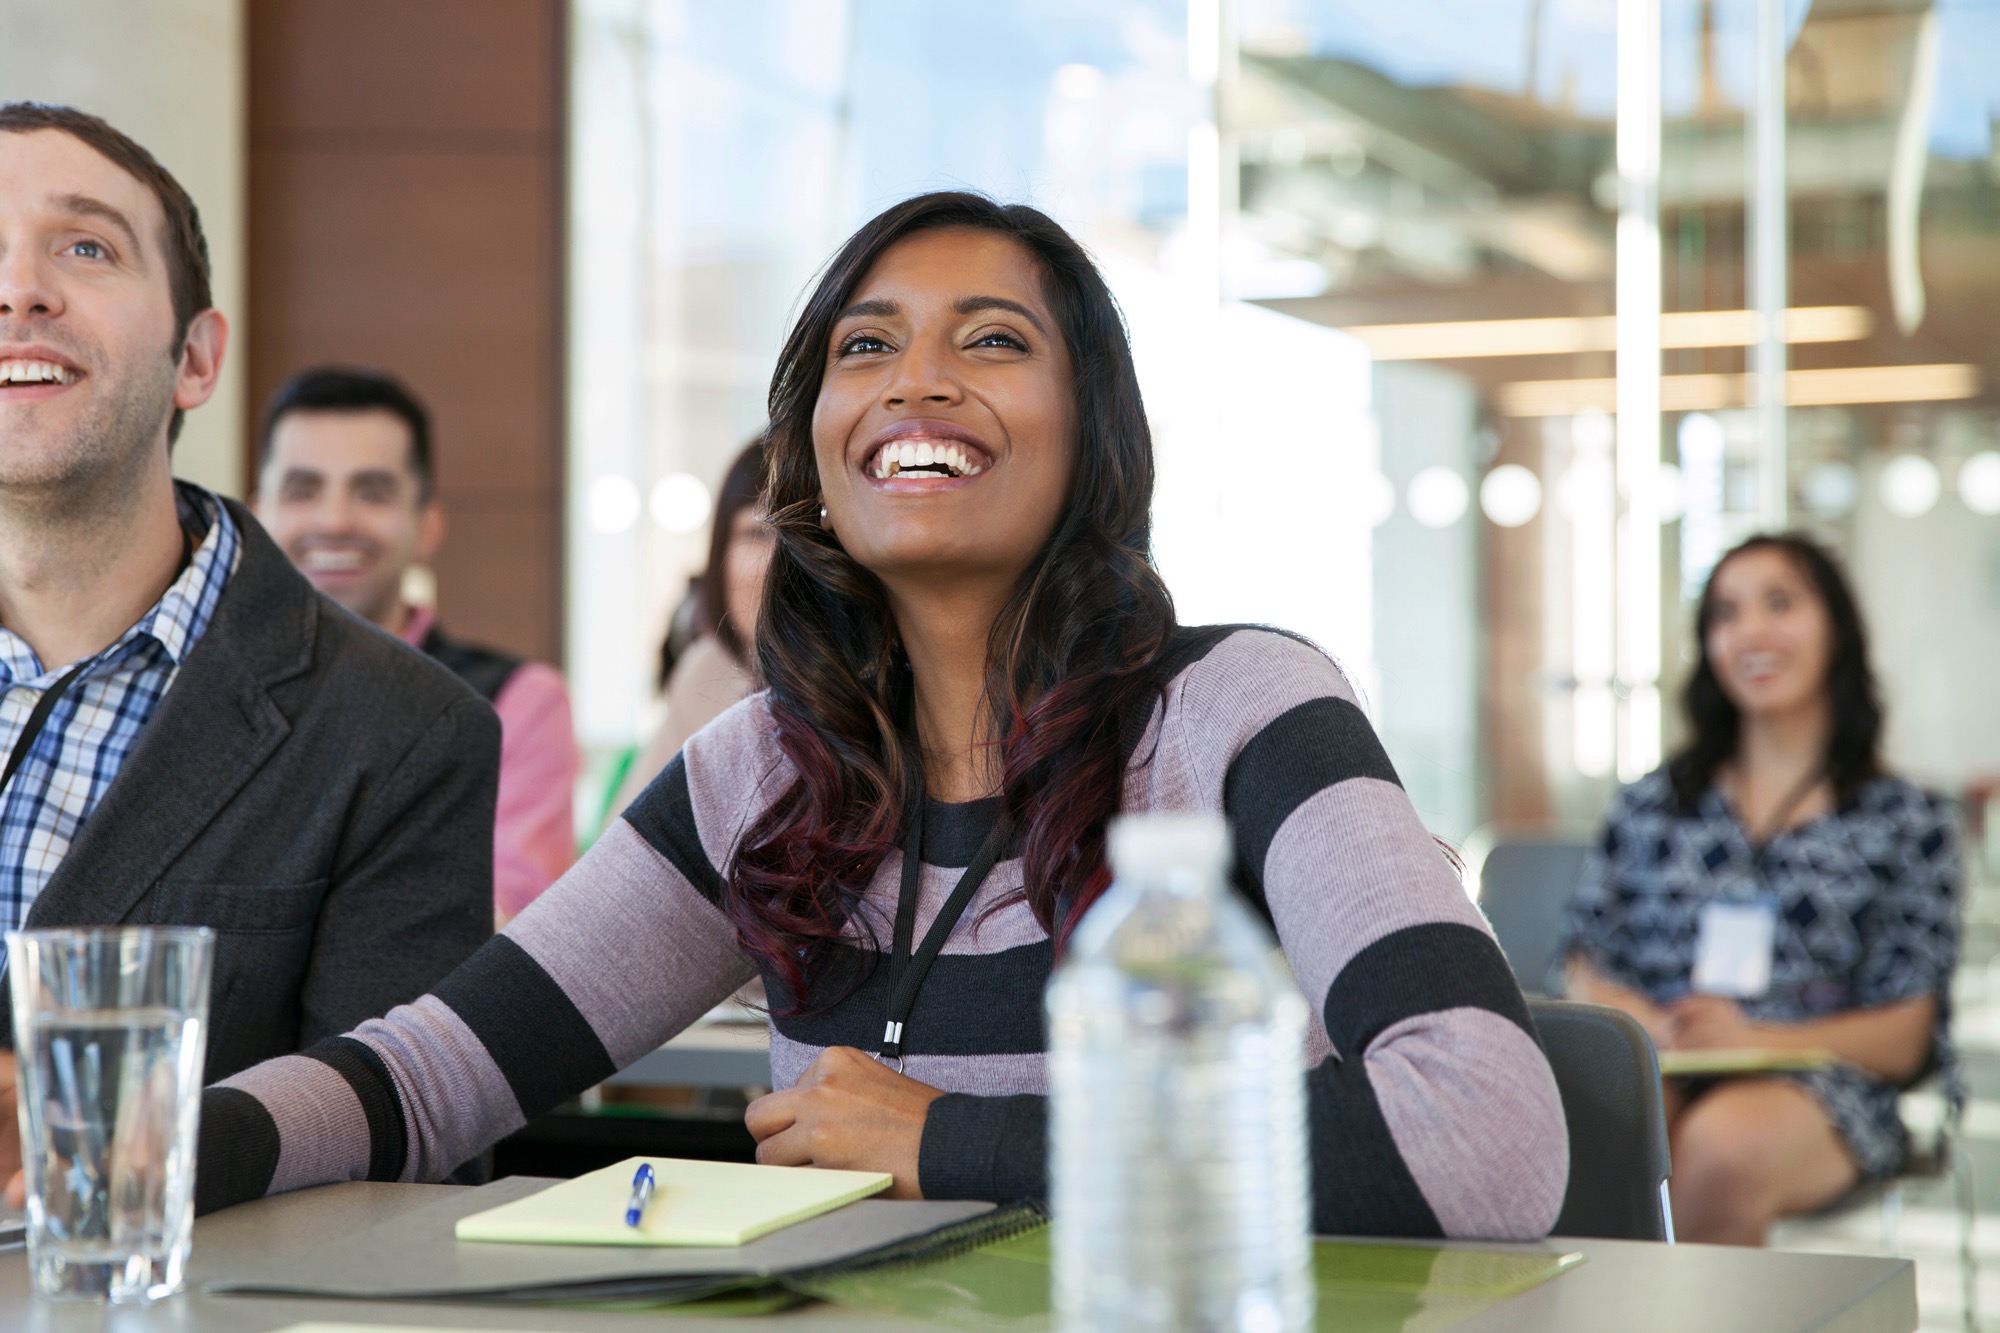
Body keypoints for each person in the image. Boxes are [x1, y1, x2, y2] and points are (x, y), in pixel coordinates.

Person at [175, 191, 1568, 1238]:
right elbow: (430, 1075)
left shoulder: (1243, 709)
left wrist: (948, 1138)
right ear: (816, 444)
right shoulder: (755, 776)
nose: (918, 378)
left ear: (1095, 432)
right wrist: (136, 1142)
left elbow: (1482, 1137)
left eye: (996, 340)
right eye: (868, 345)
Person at [0, 103, 496, 1146]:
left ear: (195, 358)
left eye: (84, 246)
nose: (19, 290)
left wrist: (100, 1138)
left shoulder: (399, 732)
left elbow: (402, 1154)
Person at [1561, 533, 1960, 1246]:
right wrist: (1644, 1025)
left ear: (1836, 628)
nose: (1751, 631)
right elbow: (1586, 960)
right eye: (1726, 613)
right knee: (1604, 1131)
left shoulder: (1906, 819)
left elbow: (1905, 1036)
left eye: (1780, 602)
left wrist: (1755, 1037)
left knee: (1722, 1149)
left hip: (1827, 1082)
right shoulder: (1650, 804)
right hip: (1664, 1063)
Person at [253, 367, 581, 925]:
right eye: (303, 490)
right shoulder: (198, 684)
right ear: (257, 515)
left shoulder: (516, 702)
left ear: (426, 527)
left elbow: (517, 927)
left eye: (371, 492)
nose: (334, 520)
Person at [612, 437, 773, 813]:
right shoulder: (708, 673)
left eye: (806, 535)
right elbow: (623, 855)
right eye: (758, 534)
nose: (781, 563)